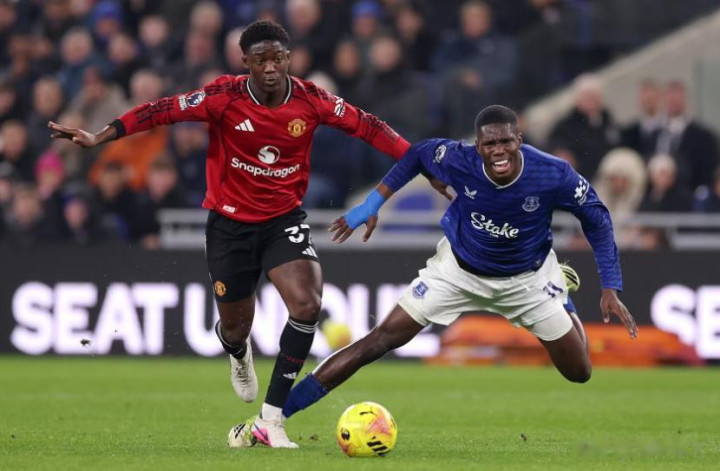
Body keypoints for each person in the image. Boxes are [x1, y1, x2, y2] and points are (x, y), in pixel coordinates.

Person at [48, 20, 413, 449]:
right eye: (261, 60)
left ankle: (271, 421)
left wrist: (420, 162)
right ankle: (238, 352)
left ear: (288, 58)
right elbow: (160, 110)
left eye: (278, 58)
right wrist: (101, 136)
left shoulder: (312, 100)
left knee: (307, 304)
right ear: (245, 62)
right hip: (229, 226)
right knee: (237, 328)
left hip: (283, 220)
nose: (271, 67)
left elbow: (368, 125)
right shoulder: (223, 97)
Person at [281, 105, 638, 427]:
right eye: (489, 144)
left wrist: (610, 285)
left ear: (519, 139)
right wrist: (373, 203)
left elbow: (597, 217)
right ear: (477, 146)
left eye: (506, 142)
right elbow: (418, 154)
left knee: (579, 372)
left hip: (527, 280)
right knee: (379, 341)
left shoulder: (552, 173)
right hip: (457, 272)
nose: (498, 151)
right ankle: (277, 415)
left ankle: (560, 293)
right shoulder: (457, 159)